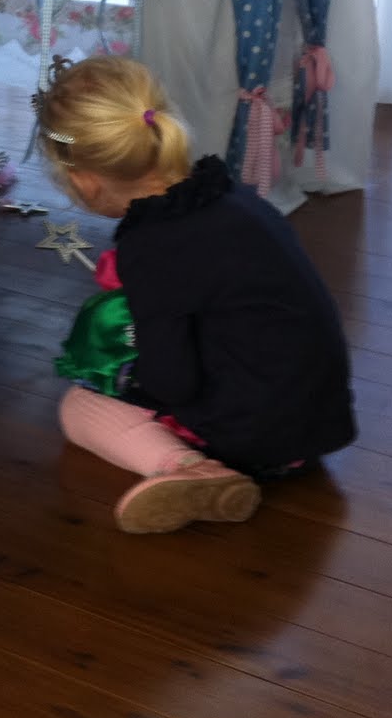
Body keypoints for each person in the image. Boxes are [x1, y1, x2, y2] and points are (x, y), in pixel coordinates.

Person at [35, 55, 355, 534]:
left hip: (257, 438)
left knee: (79, 408)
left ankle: (192, 469)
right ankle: (217, 464)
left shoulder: (150, 245)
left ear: (83, 178)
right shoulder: (231, 194)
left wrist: (129, 367)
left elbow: (174, 383)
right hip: (318, 421)